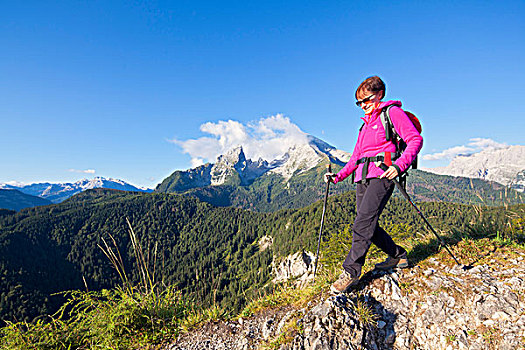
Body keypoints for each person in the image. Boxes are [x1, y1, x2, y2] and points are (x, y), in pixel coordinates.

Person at [324, 76, 423, 294]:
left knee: (362, 223)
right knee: (369, 224)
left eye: (366, 100)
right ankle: (398, 256)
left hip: (383, 175)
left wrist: (399, 166)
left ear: (379, 95)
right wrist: (338, 176)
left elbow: (415, 140)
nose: (362, 105)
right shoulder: (364, 126)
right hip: (362, 177)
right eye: (359, 103)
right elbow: (355, 158)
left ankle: (350, 272)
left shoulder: (392, 114)